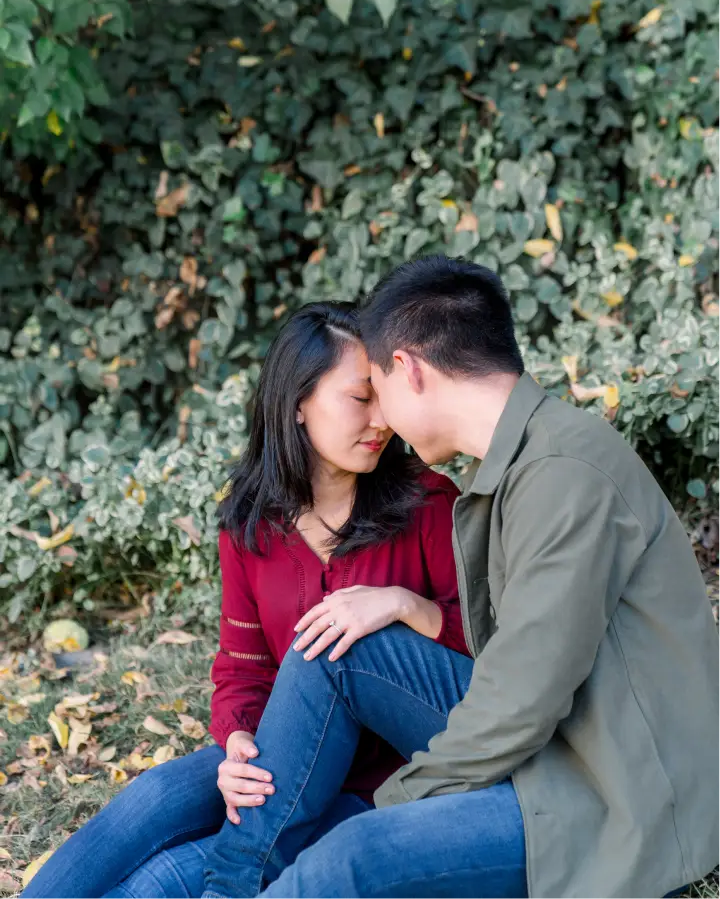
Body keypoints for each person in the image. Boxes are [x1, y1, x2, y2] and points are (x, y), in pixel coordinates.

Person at [200, 255, 720, 899]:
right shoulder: (528, 460)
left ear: (408, 370)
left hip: (611, 793)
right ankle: (228, 884)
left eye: (376, 391)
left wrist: (402, 804)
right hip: (564, 744)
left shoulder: (563, 475)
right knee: (336, 643)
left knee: (351, 854)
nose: (381, 420)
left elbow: (523, 701)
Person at [22, 301, 469, 899]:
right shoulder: (251, 526)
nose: (381, 418)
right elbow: (243, 667)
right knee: (158, 796)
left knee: (169, 875)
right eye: (360, 398)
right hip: (286, 749)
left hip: (383, 773)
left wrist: (401, 604)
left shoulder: (426, 502)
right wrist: (236, 744)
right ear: (297, 404)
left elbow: (479, 646)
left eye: (382, 396)